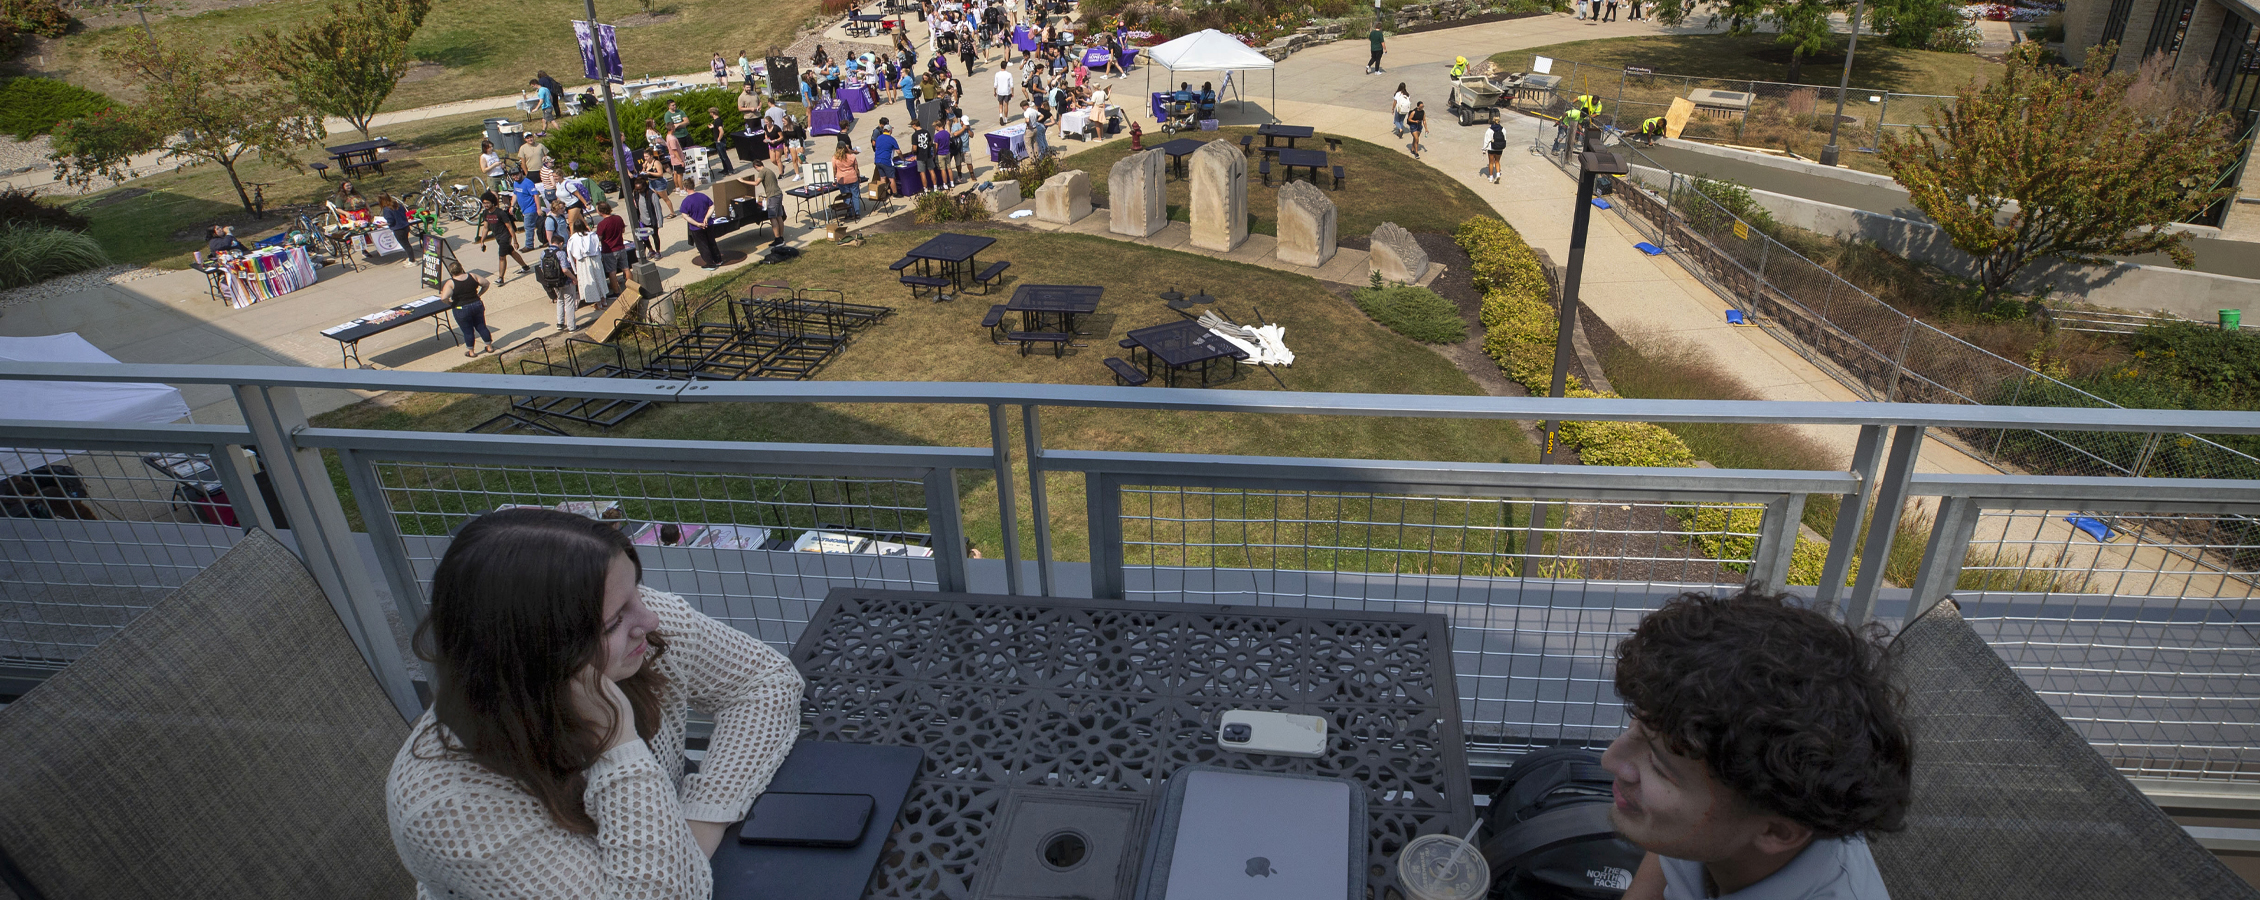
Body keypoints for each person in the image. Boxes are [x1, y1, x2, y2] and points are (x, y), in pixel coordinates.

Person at [386, 509, 804, 897]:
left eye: (636, 594)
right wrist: (617, 743)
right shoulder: (448, 807)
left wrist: (701, 819)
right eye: (614, 620)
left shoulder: (635, 633)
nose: (649, 620)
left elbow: (766, 681)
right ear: (533, 654)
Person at [1602, 588, 1910, 900]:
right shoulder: (1708, 819)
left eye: (1657, 766)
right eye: (1638, 725)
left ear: (1777, 832)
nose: (1610, 760)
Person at [473, 194, 532, 285]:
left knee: (502, 257)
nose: (486, 205)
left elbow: (510, 228)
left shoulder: (500, 213)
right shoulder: (485, 213)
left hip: (505, 237)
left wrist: (515, 241)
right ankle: (525, 267)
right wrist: (482, 240)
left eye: (487, 203)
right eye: (484, 203)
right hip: (498, 237)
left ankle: (501, 278)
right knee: (511, 252)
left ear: (493, 202)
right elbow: (485, 227)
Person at [441, 261, 497, 357]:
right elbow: (486, 283)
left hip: (461, 308)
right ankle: (489, 346)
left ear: (451, 272)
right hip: (476, 304)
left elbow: (443, 298)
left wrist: (450, 303)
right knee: (481, 326)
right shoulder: (472, 276)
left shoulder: (451, 283)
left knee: (468, 331)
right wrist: (479, 294)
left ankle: (471, 352)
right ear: (461, 268)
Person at [566, 218, 606, 318]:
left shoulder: (573, 238)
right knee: (599, 279)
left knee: (590, 280)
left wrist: (574, 269)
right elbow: (597, 247)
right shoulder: (592, 235)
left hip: (583, 262)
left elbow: (570, 254)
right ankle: (603, 299)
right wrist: (599, 259)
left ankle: (598, 302)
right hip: (595, 259)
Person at [679, 181, 719, 270]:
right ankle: (718, 260)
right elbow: (712, 206)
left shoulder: (686, 201)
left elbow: (685, 216)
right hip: (708, 224)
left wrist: (697, 224)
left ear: (685, 188)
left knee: (702, 245)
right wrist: (707, 218)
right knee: (711, 242)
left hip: (696, 228)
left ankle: (710, 264)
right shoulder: (703, 196)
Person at [595, 201, 627, 298]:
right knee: (626, 268)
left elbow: (598, 238)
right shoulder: (618, 218)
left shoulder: (602, 224)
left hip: (609, 251)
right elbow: (623, 230)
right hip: (621, 247)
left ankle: (616, 292)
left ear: (600, 211)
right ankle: (630, 288)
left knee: (612, 272)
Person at [754, 159, 785, 246]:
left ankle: (778, 239)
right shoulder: (769, 170)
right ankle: (781, 237)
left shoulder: (762, 171)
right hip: (778, 194)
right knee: (779, 216)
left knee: (772, 217)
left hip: (773, 196)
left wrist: (742, 181)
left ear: (756, 166)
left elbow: (756, 183)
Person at [832, 138, 863, 218]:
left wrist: (834, 179)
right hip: (853, 178)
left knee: (846, 197)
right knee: (855, 196)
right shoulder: (852, 157)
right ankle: (857, 213)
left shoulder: (835, 158)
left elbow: (834, 170)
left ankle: (849, 213)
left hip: (842, 179)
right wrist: (858, 177)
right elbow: (856, 169)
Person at [511, 172, 543, 250]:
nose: (515, 177)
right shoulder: (515, 183)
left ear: (521, 173)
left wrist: (538, 209)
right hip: (524, 209)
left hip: (531, 208)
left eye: (517, 174)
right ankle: (545, 240)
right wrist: (512, 206)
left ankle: (529, 245)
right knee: (540, 225)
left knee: (528, 226)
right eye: (513, 175)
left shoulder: (528, 182)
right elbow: (515, 194)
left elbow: (536, 195)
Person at [871, 122, 900, 202]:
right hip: (886, 161)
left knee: (882, 178)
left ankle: (883, 193)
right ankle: (895, 194)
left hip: (877, 160)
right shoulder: (891, 139)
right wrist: (903, 159)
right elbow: (898, 151)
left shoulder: (879, 138)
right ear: (890, 131)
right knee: (891, 178)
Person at [707, 107, 735, 175]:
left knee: (724, 156)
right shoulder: (718, 120)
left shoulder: (717, 121)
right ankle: (725, 169)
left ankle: (730, 170)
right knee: (721, 156)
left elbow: (721, 131)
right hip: (719, 141)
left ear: (712, 113)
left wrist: (719, 139)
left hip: (720, 141)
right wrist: (713, 127)